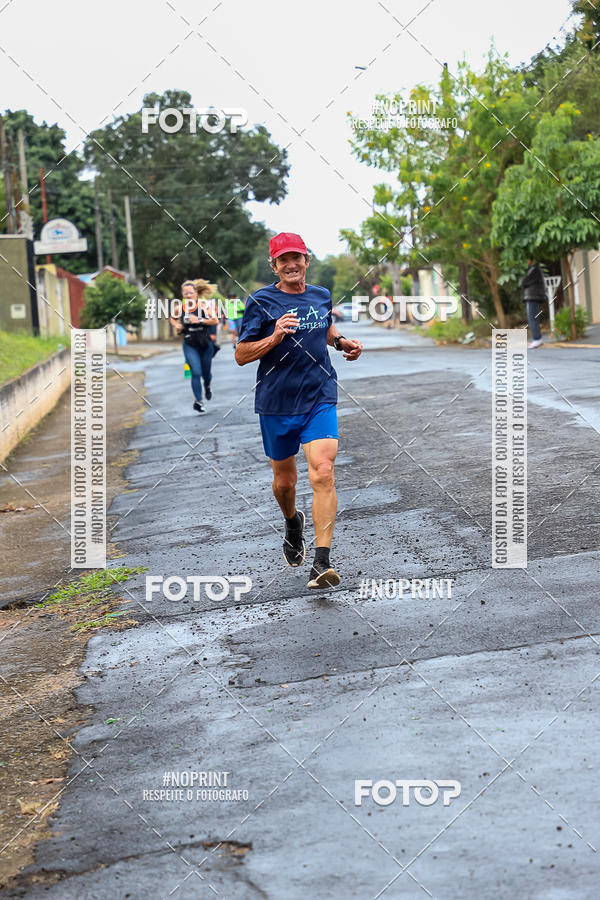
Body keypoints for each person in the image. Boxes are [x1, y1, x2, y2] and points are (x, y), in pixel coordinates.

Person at [235, 232, 362, 589]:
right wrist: (274, 336)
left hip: (319, 395)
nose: (291, 265)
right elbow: (241, 354)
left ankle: (321, 562)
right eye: (283, 260)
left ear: (306, 260)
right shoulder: (261, 301)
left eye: (297, 258)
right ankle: (293, 522)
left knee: (323, 471)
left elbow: (323, 326)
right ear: (274, 265)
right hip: (276, 403)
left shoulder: (321, 295)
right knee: (284, 482)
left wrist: (340, 342)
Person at [169, 279, 219, 414]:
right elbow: (172, 318)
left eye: (190, 293)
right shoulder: (180, 308)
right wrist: (177, 325)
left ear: (196, 293)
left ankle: (207, 385)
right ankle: (198, 401)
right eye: (185, 294)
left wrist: (200, 319)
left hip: (205, 343)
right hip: (189, 343)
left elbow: (215, 320)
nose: (188, 296)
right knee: (195, 372)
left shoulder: (203, 306)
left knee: (206, 373)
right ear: (182, 295)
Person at [521, 259, 546, 349]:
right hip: (531, 296)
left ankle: (537, 339)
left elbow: (524, 282)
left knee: (532, 318)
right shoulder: (531, 269)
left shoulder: (535, 270)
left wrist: (524, 280)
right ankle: (537, 339)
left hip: (533, 296)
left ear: (531, 260)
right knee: (531, 318)